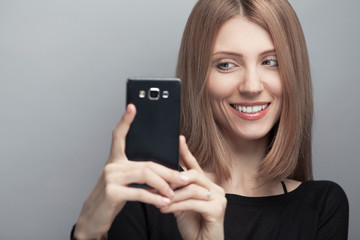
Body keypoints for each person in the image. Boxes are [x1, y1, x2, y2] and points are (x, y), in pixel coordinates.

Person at [72, 0, 349, 239]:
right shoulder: (148, 197)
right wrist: (87, 233)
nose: (251, 86)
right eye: (226, 64)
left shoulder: (323, 206)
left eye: (271, 62)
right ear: (199, 78)